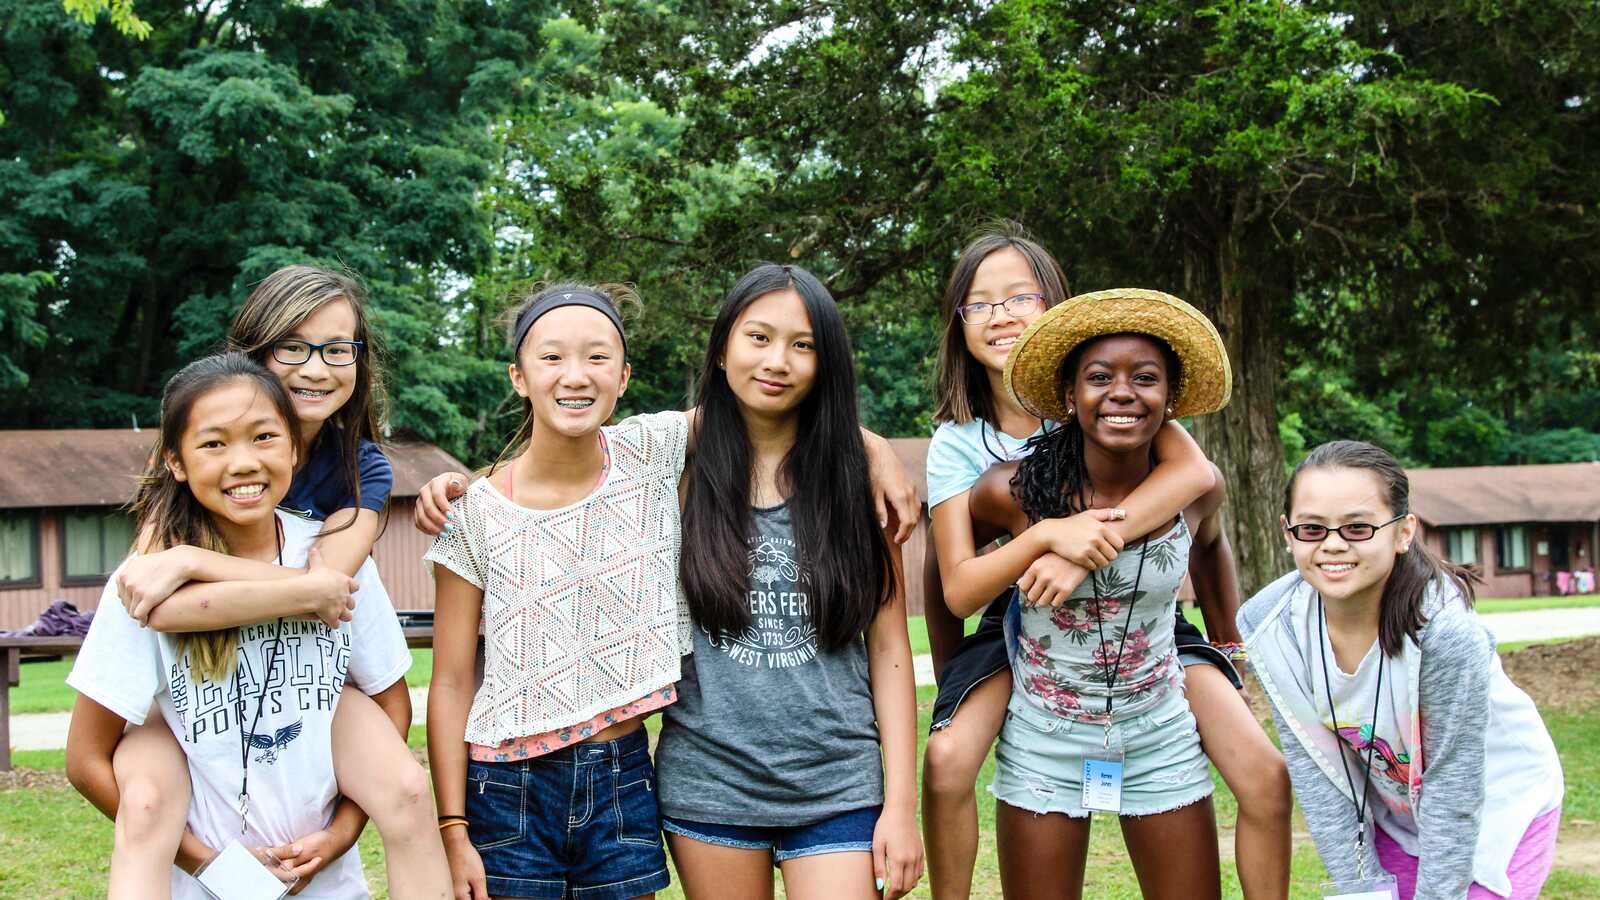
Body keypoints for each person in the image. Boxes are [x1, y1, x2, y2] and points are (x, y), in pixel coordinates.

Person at [922, 226, 1290, 899]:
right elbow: (949, 576)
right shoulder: (966, 450)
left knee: (1266, 774)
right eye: (981, 303)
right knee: (947, 761)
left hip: (1147, 631)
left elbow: (1199, 487)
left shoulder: (1140, 419)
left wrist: (1091, 545)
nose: (1002, 315)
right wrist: (1047, 541)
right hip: (1019, 615)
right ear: (1069, 390)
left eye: (1019, 297)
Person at [85, 266, 450, 898]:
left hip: (311, 674)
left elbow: (330, 586)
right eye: (293, 347)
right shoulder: (192, 449)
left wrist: (197, 565)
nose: (316, 368)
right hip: (199, 687)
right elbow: (152, 599)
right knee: (148, 788)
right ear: (255, 355)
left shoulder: (360, 466)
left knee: (404, 785)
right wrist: (192, 564)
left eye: (337, 349)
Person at [955, 288, 1238, 899]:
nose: (1122, 392)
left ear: (1170, 398)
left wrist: (1227, 638)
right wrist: (956, 658)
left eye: (1146, 378)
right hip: (1044, 737)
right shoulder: (1010, 492)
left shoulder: (1196, 489)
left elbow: (1212, 545)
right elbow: (949, 571)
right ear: (1069, 395)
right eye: (1099, 377)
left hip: (1159, 731)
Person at [653, 264, 925, 899]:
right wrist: (458, 488)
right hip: (709, 783)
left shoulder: (862, 484)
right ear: (722, 349)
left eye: (803, 345)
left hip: (840, 783)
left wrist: (900, 805)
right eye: (758, 337)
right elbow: (561, 464)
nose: (777, 361)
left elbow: (889, 650)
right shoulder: (672, 473)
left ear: (825, 364)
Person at [425, 283, 689, 900]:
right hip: (505, 788)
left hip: (623, 775)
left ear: (624, 377)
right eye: (551, 357)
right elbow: (451, 682)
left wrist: (877, 453)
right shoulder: (474, 513)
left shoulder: (652, 452)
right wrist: (453, 828)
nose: (575, 375)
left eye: (597, 357)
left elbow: (763, 408)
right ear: (519, 378)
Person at [1239, 440, 1564, 899]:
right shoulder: (1271, 626)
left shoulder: (1445, 634)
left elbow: (1453, 788)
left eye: (1358, 527)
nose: (1333, 545)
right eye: (1312, 528)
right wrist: (1359, 888)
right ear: (1287, 533)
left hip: (1499, 803)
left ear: (1403, 532)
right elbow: (1321, 774)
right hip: (1398, 812)